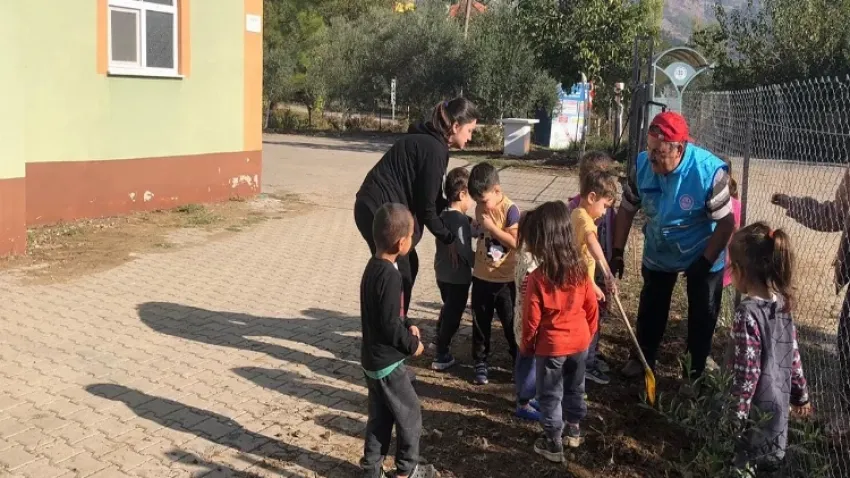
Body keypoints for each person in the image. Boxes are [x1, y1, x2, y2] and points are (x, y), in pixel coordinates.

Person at [611, 111, 736, 383]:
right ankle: (643, 358)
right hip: (660, 248)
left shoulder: (708, 172)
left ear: (679, 148)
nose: (651, 156)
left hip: (703, 249)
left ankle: (694, 372)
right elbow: (626, 209)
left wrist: (704, 263)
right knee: (652, 305)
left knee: (703, 313)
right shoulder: (642, 165)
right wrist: (617, 251)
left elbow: (727, 224)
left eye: (659, 151)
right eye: (649, 148)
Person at [355, 98, 479, 318]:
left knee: (407, 264)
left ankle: (395, 323)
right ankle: (392, 329)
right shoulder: (434, 149)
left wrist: (461, 218)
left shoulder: (433, 144)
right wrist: (449, 239)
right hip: (375, 210)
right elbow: (427, 210)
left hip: (377, 207)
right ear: (456, 126)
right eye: (469, 130)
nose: (470, 137)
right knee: (398, 270)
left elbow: (430, 197)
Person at [726, 222, 811, 473]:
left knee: (744, 469)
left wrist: (734, 421)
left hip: (753, 421)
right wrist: (801, 396)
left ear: (740, 271)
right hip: (777, 416)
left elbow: (746, 377)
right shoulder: (781, 304)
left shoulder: (746, 315)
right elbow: (793, 355)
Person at [358, 204, 436, 478]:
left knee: (381, 419)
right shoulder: (391, 277)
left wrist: (409, 324)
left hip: (372, 362)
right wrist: (412, 345)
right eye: (412, 236)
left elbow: (388, 315)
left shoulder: (373, 267)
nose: (413, 240)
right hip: (389, 365)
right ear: (402, 243)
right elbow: (390, 325)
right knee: (410, 415)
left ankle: (370, 470)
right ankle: (407, 471)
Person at [518, 201, 598, 463]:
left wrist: (527, 346)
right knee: (576, 386)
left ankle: (553, 442)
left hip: (551, 347)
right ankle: (573, 429)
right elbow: (591, 307)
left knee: (550, 394)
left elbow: (531, 319)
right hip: (580, 343)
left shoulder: (538, 278)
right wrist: (588, 334)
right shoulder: (580, 270)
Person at [468, 162, 521, 386]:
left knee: (510, 324)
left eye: (484, 201)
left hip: (505, 280)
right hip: (481, 276)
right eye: (478, 202)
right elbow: (480, 232)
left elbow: (515, 242)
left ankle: (518, 361)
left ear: (497, 190)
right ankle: (480, 361)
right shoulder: (481, 208)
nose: (482, 206)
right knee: (480, 322)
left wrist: (492, 228)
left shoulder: (510, 210)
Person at [567, 151, 618, 381]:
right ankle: (582, 365)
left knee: (591, 318)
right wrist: (606, 273)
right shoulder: (581, 217)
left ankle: (583, 360)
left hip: (584, 281)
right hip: (578, 283)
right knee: (586, 321)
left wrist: (595, 284)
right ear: (591, 196)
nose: (606, 212)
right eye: (605, 207)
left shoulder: (584, 214)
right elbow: (591, 243)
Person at [431, 167, 476, 371]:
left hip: (442, 273)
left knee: (447, 307)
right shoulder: (460, 221)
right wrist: (481, 263)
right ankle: (442, 353)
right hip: (458, 277)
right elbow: (464, 250)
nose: (473, 203)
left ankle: (437, 338)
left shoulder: (442, 215)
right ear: (462, 194)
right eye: (471, 197)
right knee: (454, 314)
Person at [513, 211, 542, 421]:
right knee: (528, 363)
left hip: (522, 320)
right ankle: (523, 401)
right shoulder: (530, 262)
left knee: (528, 361)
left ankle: (529, 397)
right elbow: (530, 293)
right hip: (528, 323)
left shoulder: (524, 253)